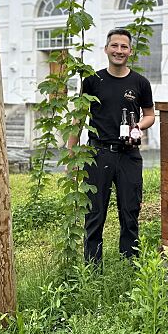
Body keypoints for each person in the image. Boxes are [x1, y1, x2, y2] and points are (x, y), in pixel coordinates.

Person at [67, 28, 155, 264]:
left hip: (129, 155)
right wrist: (71, 158)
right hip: (98, 153)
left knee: (130, 212)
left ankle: (130, 264)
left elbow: (150, 115)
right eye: (114, 46)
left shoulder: (140, 82)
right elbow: (78, 120)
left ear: (130, 51)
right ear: (106, 49)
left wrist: (138, 126)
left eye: (124, 47)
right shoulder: (92, 82)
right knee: (95, 214)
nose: (119, 51)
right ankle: (93, 267)